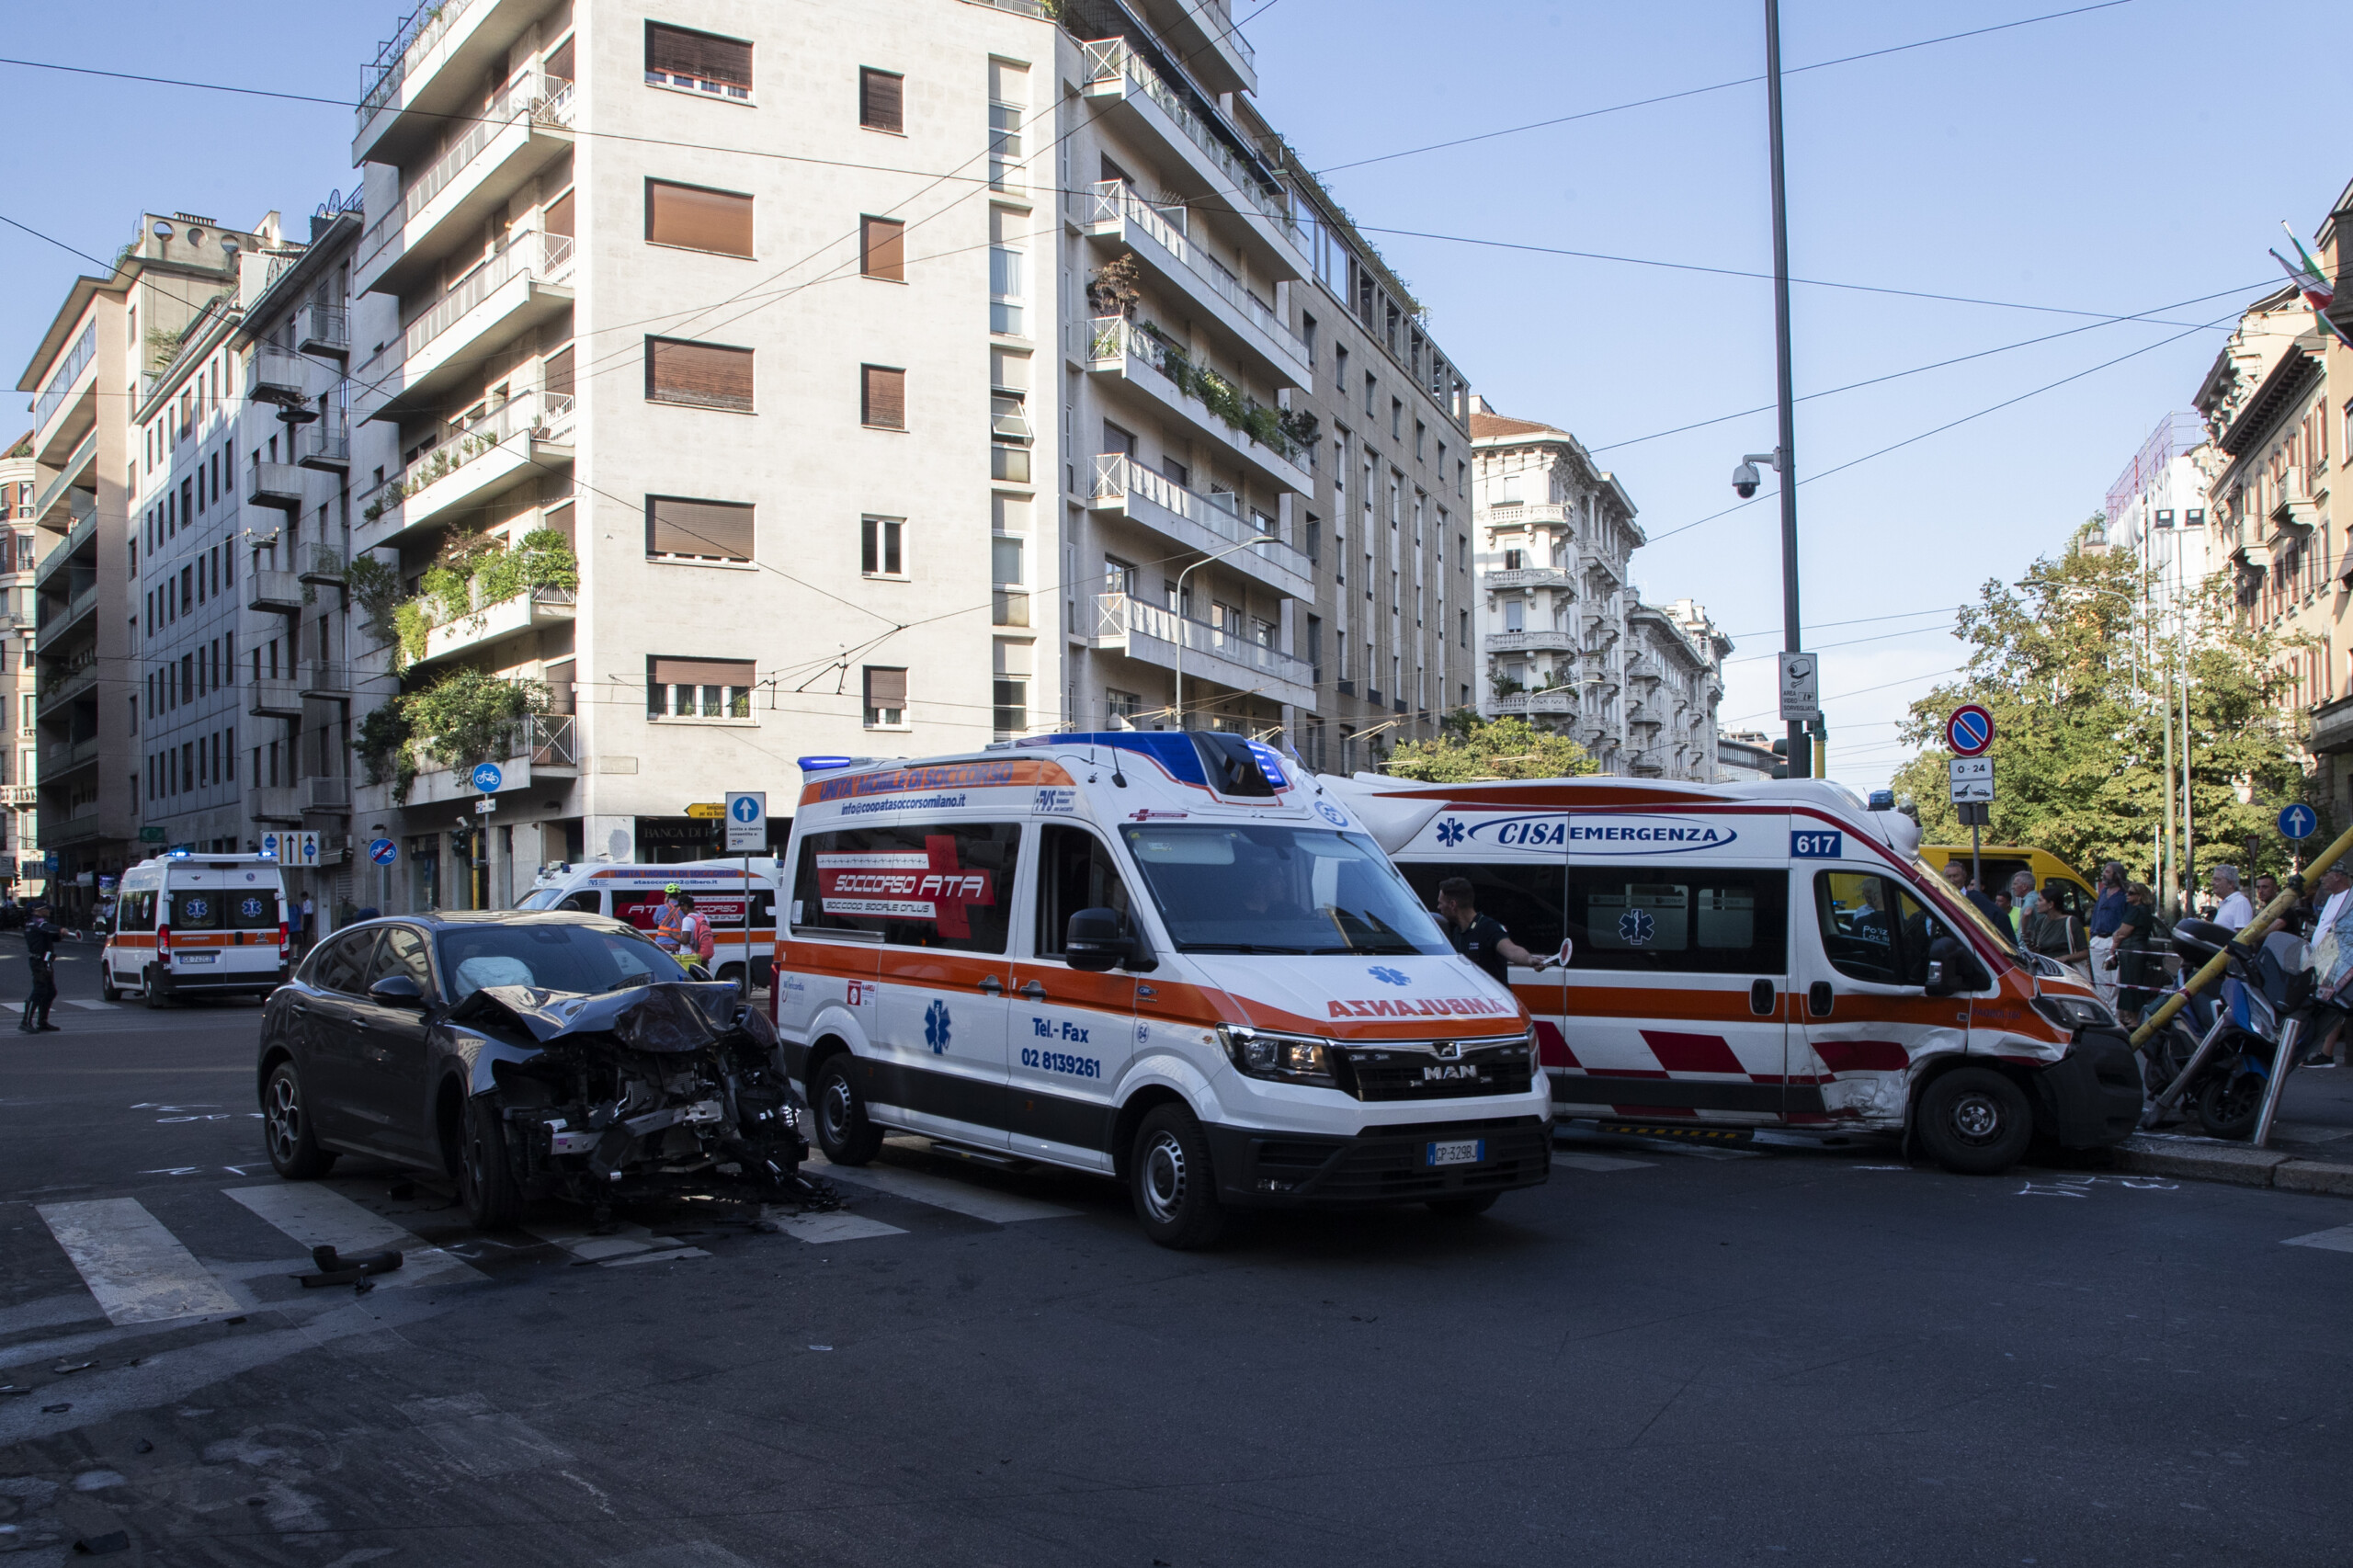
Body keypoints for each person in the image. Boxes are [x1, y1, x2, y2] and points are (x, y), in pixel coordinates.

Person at [1435, 877, 1559, 986]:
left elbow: (1511, 949)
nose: (1438, 907)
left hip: (1495, 1005)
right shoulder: (1458, 932)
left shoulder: (1488, 927)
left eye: (1440, 903)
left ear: (1452, 904)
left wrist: (1529, 959)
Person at [2113, 881, 2167, 1024]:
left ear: (2140, 896)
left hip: (2131, 951)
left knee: (2130, 984)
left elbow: (2123, 932)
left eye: (2131, 893)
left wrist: (2114, 944)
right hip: (2137, 949)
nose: (2127, 895)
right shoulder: (2145, 911)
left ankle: (2133, 1019)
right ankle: (2132, 1017)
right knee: (2133, 983)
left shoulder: (2136, 910)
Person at [20, 903, 74, 1033]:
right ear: (37, 910)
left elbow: (51, 936)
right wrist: (60, 929)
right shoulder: (36, 922)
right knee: (39, 990)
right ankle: (25, 1022)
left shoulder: (38, 924)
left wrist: (60, 935)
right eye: (46, 909)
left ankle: (42, 1022)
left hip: (45, 961)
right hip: (39, 961)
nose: (49, 910)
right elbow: (47, 928)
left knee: (50, 991)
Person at [2086, 860, 2129, 1007]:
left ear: (2116, 875)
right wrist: (2093, 936)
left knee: (2114, 980)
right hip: (2098, 939)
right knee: (2100, 978)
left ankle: (2114, 1013)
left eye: (2107, 872)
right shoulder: (2103, 893)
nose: (2104, 874)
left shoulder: (2124, 895)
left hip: (2113, 940)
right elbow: (2096, 914)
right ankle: (2105, 1009)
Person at [2022, 881, 2089, 969]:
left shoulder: (2071, 922)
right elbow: (2036, 950)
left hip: (2066, 971)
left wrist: (2065, 958)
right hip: (2046, 970)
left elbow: (2085, 953)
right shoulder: (2041, 923)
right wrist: (2024, 924)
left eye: (2040, 900)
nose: (2036, 904)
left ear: (2051, 904)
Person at [2210, 865, 2254, 931]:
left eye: (2217, 880)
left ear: (2230, 884)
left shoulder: (2240, 902)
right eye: (2213, 880)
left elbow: (2242, 935)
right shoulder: (2226, 904)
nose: (2212, 883)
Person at [651, 882, 688, 954]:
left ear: (667, 896)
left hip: (662, 944)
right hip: (677, 945)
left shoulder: (661, 908)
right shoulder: (684, 909)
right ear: (679, 896)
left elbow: (655, 921)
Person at [2006, 870, 2039, 941]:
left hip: (2026, 947)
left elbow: (2027, 913)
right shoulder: (2033, 897)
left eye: (2015, 884)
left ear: (2024, 886)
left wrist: (2023, 934)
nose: (2012, 887)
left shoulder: (2030, 899)